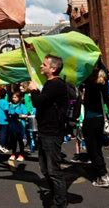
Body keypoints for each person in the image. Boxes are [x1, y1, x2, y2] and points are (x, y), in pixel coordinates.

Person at [26, 55, 67, 208]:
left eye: (44, 64)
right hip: (45, 131)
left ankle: (59, 203)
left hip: (52, 133)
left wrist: (34, 90)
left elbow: (38, 102)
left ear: (53, 68)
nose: (41, 66)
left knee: (53, 170)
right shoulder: (50, 84)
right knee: (45, 169)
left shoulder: (56, 85)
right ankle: (55, 195)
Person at [83, 69, 109, 187]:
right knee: (97, 148)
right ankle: (102, 172)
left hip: (91, 120)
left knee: (93, 149)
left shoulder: (91, 86)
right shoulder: (104, 86)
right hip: (99, 119)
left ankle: (103, 175)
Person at [8, 91, 28, 161]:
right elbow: (9, 113)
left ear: (19, 98)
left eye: (15, 97)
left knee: (20, 141)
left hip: (20, 126)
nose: (13, 98)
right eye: (13, 97)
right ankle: (13, 154)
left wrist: (18, 116)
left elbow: (26, 115)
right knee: (13, 141)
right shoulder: (11, 105)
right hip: (13, 126)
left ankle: (21, 154)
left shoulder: (22, 106)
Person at [0, 88, 10, 153]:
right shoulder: (5, 102)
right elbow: (6, 110)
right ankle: (2, 146)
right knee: (3, 134)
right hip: (4, 119)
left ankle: (1, 146)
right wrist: (9, 118)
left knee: (0, 133)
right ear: (5, 95)